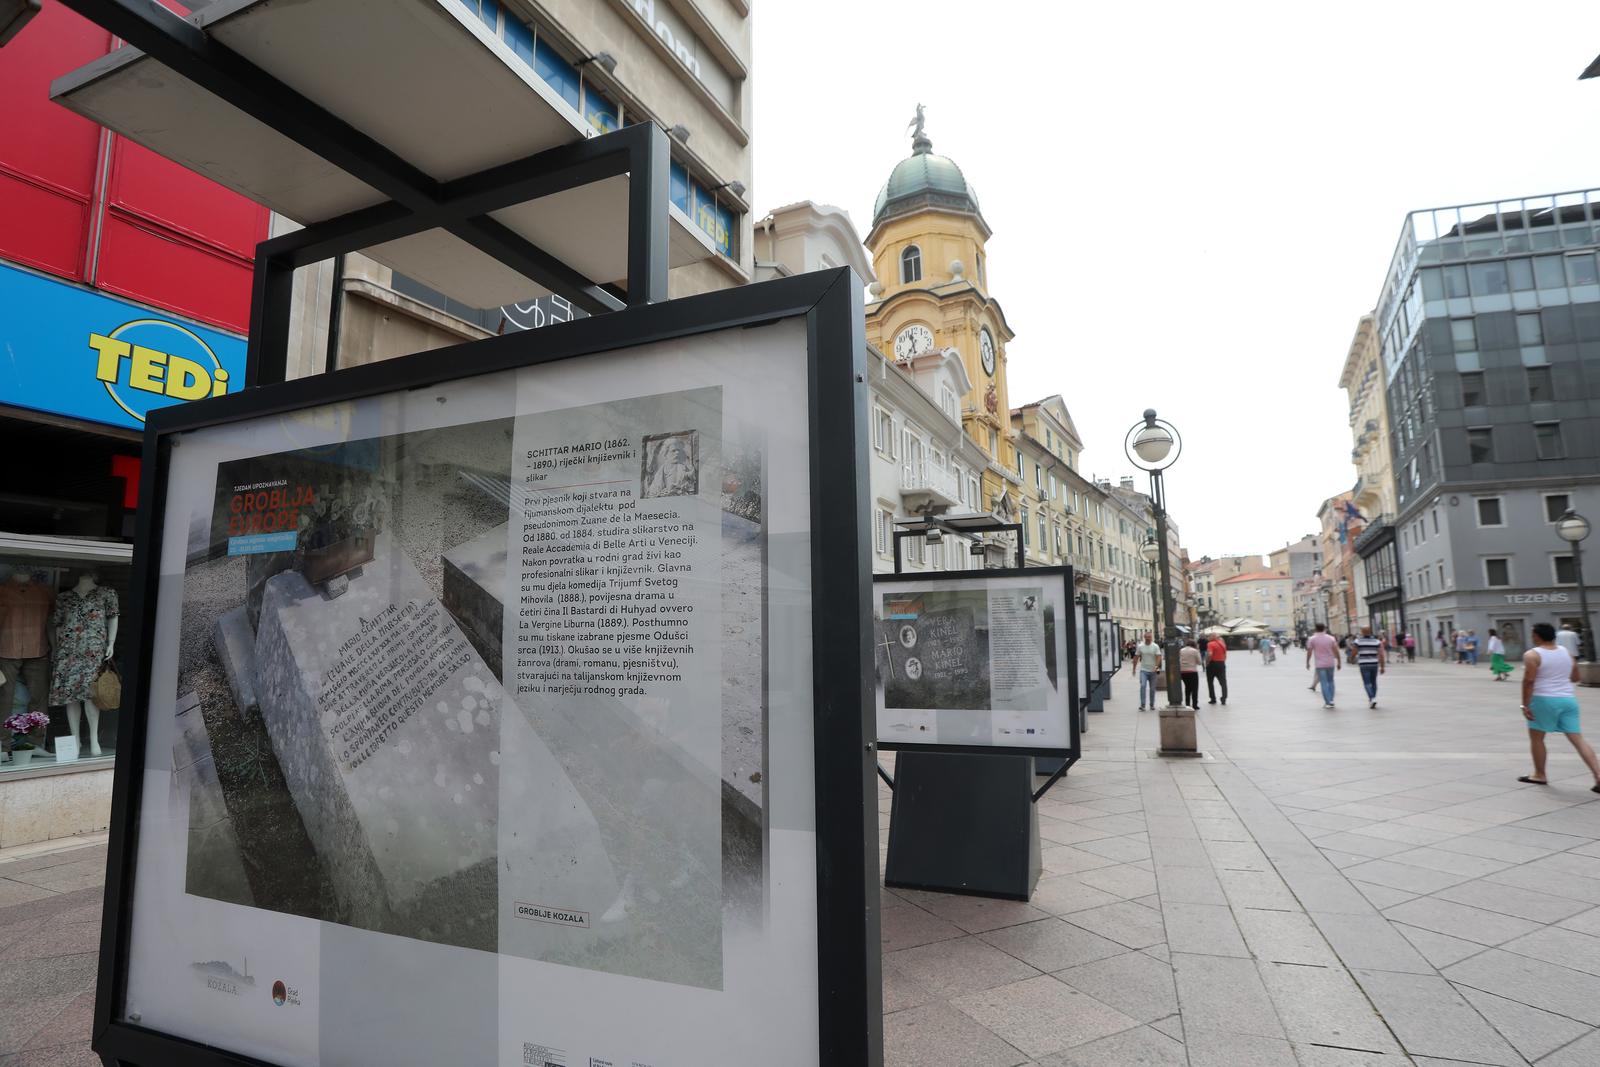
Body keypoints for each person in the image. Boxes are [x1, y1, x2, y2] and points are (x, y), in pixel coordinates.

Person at [1517, 622, 1600, 793]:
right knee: (1578, 739)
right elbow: (1576, 677)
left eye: (1533, 634)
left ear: (1537, 636)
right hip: (1568, 699)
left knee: (1537, 738)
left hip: (1544, 699)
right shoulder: (1566, 652)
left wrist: (1525, 704)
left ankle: (1540, 774)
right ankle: (1598, 775)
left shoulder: (1532, 655)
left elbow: (1529, 681)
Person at [1306, 622, 1341, 708]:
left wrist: (1307, 662)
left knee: (1324, 683)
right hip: (1330, 663)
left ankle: (1328, 701)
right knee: (1331, 681)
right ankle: (1331, 700)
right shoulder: (1331, 638)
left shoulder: (1312, 639)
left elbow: (1309, 651)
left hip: (1320, 664)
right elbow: (1336, 650)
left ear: (1316, 629)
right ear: (1324, 628)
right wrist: (1339, 661)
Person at [1352, 626, 1385, 708]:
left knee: (1367, 683)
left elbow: (1354, 652)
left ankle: (1372, 698)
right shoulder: (1377, 641)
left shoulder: (1358, 641)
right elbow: (1381, 654)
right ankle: (1373, 698)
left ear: (1362, 632)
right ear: (1370, 631)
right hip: (1374, 664)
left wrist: (1352, 658)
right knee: (1374, 682)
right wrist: (1382, 667)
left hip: (1364, 664)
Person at [1135, 631, 1162, 711]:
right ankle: (1143, 705)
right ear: (1144, 637)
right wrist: (1134, 668)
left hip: (1153, 671)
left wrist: (1157, 669)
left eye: (1149, 637)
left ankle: (1152, 704)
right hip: (1143, 670)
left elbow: (1159, 657)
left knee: (1152, 688)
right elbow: (1136, 657)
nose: (1148, 639)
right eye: (1147, 637)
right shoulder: (1140, 646)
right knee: (1143, 686)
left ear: (1151, 638)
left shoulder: (1155, 646)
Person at [1178, 638, 1202, 709]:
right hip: (1192, 672)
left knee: (1187, 688)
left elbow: (1179, 660)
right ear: (1194, 644)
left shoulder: (1181, 650)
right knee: (1194, 689)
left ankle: (1187, 704)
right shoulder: (1195, 651)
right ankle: (1195, 704)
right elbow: (1199, 662)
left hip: (1183, 672)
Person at [1205, 634, 1228, 705]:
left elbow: (1210, 654)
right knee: (1223, 682)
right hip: (1221, 663)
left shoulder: (1210, 644)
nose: (1208, 637)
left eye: (1209, 636)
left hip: (1212, 664)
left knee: (1210, 682)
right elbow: (1225, 655)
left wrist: (1207, 662)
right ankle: (1224, 698)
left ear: (1212, 637)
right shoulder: (1222, 643)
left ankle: (1213, 698)